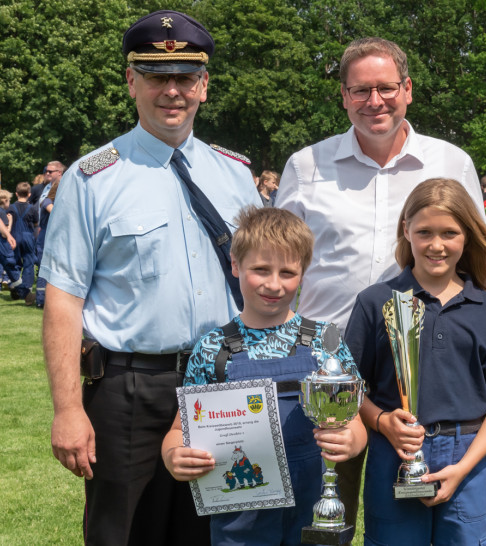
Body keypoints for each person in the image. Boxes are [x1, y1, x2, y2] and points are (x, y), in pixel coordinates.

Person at [39, 10, 261, 546]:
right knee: (124, 532)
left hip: (223, 383)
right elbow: (63, 299)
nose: (172, 91)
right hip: (130, 390)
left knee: (219, 533)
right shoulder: (93, 178)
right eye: (157, 76)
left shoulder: (235, 174)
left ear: (204, 86)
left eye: (185, 77)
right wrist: (68, 410)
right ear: (131, 81)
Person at [276, 36, 485, 531]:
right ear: (344, 96)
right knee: (324, 522)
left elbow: (475, 259)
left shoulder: (450, 162)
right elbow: (278, 262)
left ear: (407, 89)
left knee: (415, 522)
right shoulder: (306, 166)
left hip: (424, 373)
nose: (375, 101)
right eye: (360, 90)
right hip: (328, 371)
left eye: (386, 88)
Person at [162, 206, 367, 545]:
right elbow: (178, 430)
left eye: (287, 272)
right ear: (235, 265)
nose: (274, 284)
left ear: (303, 272)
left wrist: (352, 441)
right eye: (260, 269)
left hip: (314, 508)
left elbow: (355, 422)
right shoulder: (213, 348)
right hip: (240, 517)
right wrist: (174, 456)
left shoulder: (325, 341)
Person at [345, 178, 486, 544]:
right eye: (424, 232)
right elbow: (350, 388)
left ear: (467, 235)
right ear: (406, 230)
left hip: (466, 456)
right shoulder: (375, 302)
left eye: (449, 233)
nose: (436, 245)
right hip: (393, 453)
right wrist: (382, 421)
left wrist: (463, 467)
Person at [8, 182, 39, 305]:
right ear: (29, 194)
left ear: (16, 194)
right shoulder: (32, 208)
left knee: (15, 263)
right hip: (28, 237)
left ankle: (15, 287)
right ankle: (28, 291)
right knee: (28, 263)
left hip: (14, 237)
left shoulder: (10, 207)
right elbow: (36, 225)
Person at [35, 178, 60, 308]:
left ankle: (51, 300)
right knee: (44, 268)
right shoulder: (47, 201)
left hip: (55, 236)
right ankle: (40, 299)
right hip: (46, 236)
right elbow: (56, 213)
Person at [0, 190, 21, 295]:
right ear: (5, 201)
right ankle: (20, 291)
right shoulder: (3, 213)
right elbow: (5, 233)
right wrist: (10, 221)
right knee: (10, 265)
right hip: (2, 245)